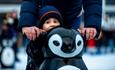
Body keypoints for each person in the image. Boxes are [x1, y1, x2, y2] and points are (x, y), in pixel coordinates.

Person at [18, 0, 102, 69]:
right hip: (42, 12)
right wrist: (27, 23)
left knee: (72, 53)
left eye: (54, 22)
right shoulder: (39, 34)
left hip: (72, 15)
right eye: (49, 22)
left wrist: (92, 24)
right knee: (37, 57)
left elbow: (93, 2)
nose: (52, 24)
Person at [25, 6, 63, 70]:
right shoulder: (39, 38)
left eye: (55, 21)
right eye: (48, 22)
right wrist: (39, 40)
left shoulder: (62, 38)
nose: (52, 24)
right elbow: (31, 52)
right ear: (41, 26)